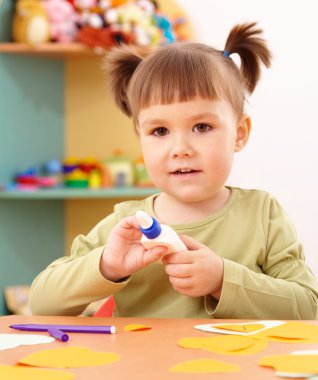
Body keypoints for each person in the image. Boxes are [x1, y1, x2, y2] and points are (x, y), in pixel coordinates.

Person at [29, 22, 318, 319]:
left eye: (202, 127)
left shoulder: (263, 215)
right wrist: (107, 266)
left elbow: (308, 309)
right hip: (144, 366)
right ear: (140, 137)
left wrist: (223, 280)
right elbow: (41, 303)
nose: (180, 148)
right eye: (160, 131)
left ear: (240, 133)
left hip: (237, 365)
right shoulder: (127, 226)